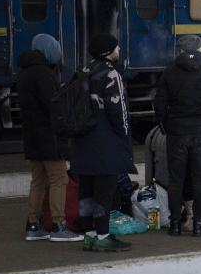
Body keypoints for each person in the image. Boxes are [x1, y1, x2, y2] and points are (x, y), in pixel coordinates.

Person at [153, 34, 201, 236]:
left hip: (177, 132)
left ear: (180, 51)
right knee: (200, 179)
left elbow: (159, 104)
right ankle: (199, 224)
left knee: (177, 179)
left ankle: (176, 224)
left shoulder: (169, 73)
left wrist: (165, 124)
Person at [71, 34, 134, 252]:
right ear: (108, 51)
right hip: (105, 141)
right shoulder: (111, 74)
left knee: (86, 189)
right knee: (105, 191)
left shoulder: (83, 72)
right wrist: (125, 135)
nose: (119, 48)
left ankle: (89, 235)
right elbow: (119, 111)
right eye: (116, 46)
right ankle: (103, 235)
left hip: (83, 140)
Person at [17, 33, 80, 242]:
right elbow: (53, 106)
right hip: (49, 137)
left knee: (38, 181)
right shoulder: (44, 74)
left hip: (32, 137)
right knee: (58, 179)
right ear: (48, 50)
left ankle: (33, 225)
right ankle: (58, 224)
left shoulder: (24, 73)